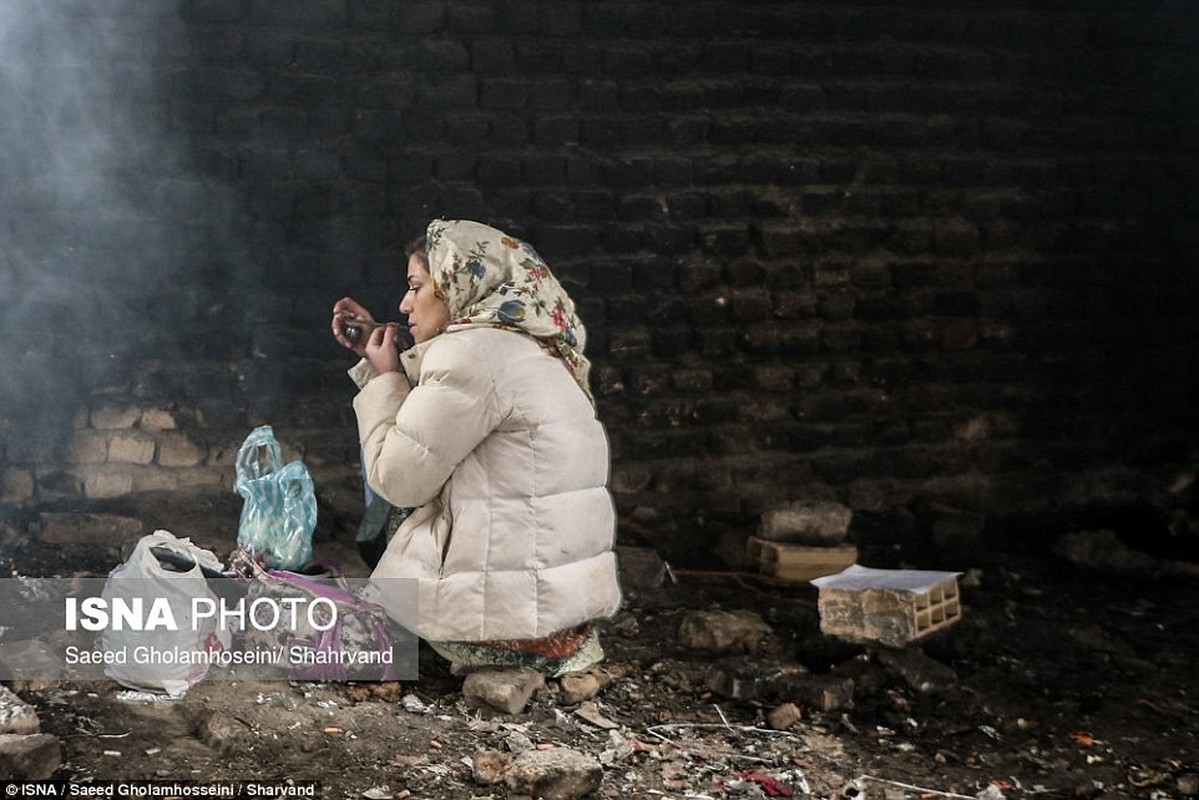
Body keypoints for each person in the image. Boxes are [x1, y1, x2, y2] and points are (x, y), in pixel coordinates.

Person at [329, 219, 623, 676]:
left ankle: (451, 639)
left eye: (417, 286)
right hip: (562, 621)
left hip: (504, 621)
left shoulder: (471, 353)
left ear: (457, 284)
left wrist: (386, 377)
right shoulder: (538, 346)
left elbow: (398, 480)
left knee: (389, 507)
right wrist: (391, 358)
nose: (405, 304)